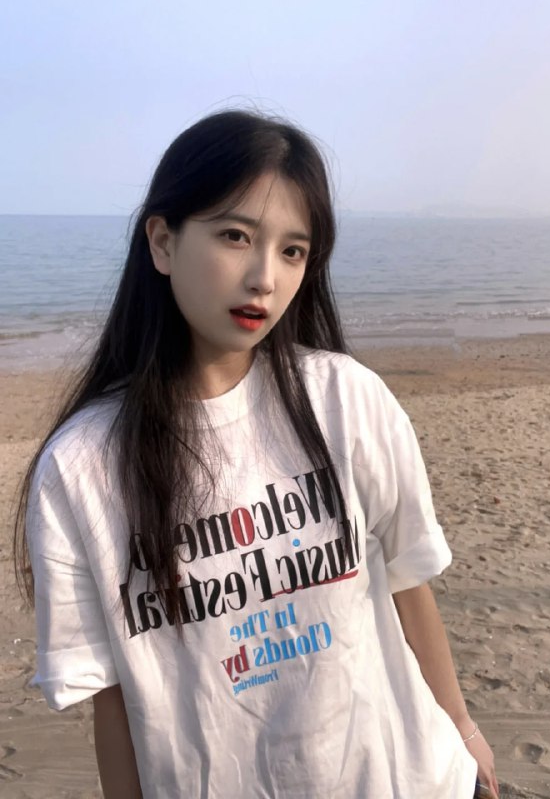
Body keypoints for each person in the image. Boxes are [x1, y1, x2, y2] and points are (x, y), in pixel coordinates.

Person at [15, 110, 499, 798]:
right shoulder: (81, 468)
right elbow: (114, 699)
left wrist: (464, 731)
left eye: (293, 251)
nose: (264, 278)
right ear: (162, 241)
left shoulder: (346, 399)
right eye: (236, 236)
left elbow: (407, 584)